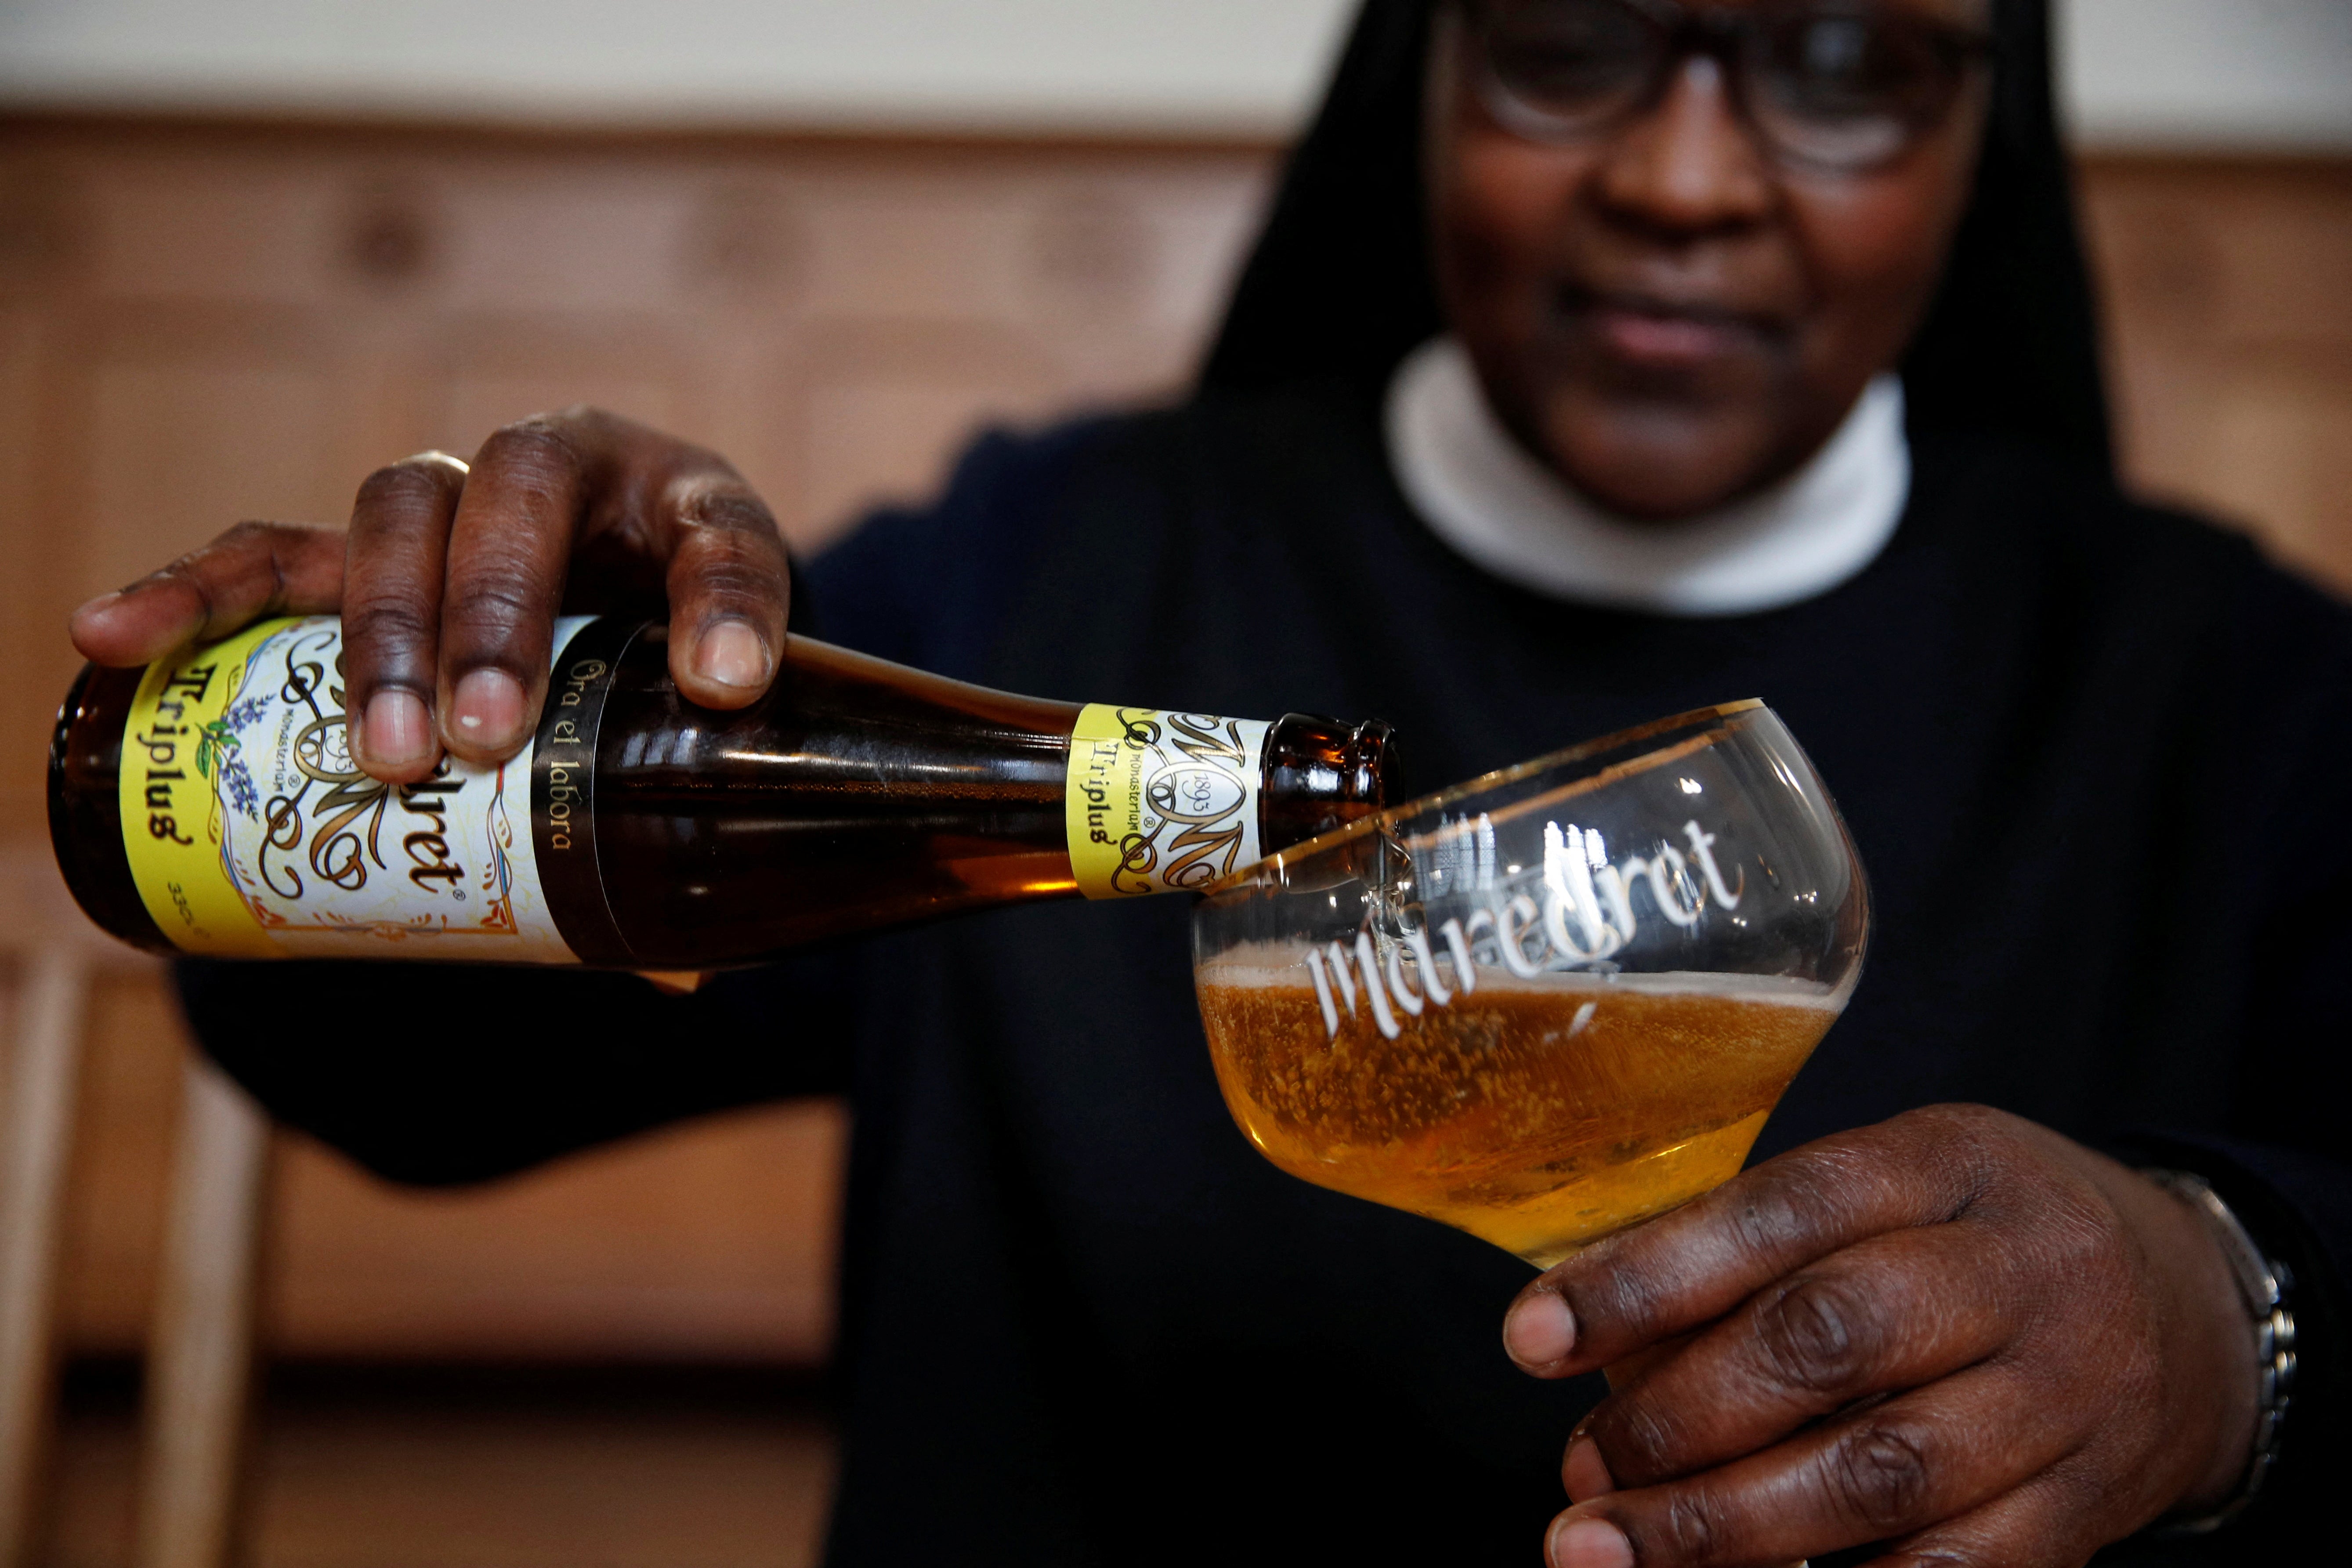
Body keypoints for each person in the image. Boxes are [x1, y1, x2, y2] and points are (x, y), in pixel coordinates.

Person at [68, 0, 2349, 1561]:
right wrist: (450, 714)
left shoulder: (2230, 691)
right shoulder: (1046, 573)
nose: (1684, 176)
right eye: (1565, 37)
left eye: (1844, 65)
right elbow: (382, 1069)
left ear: (1990, 116)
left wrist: (2230, 1309)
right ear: (1422, 62)